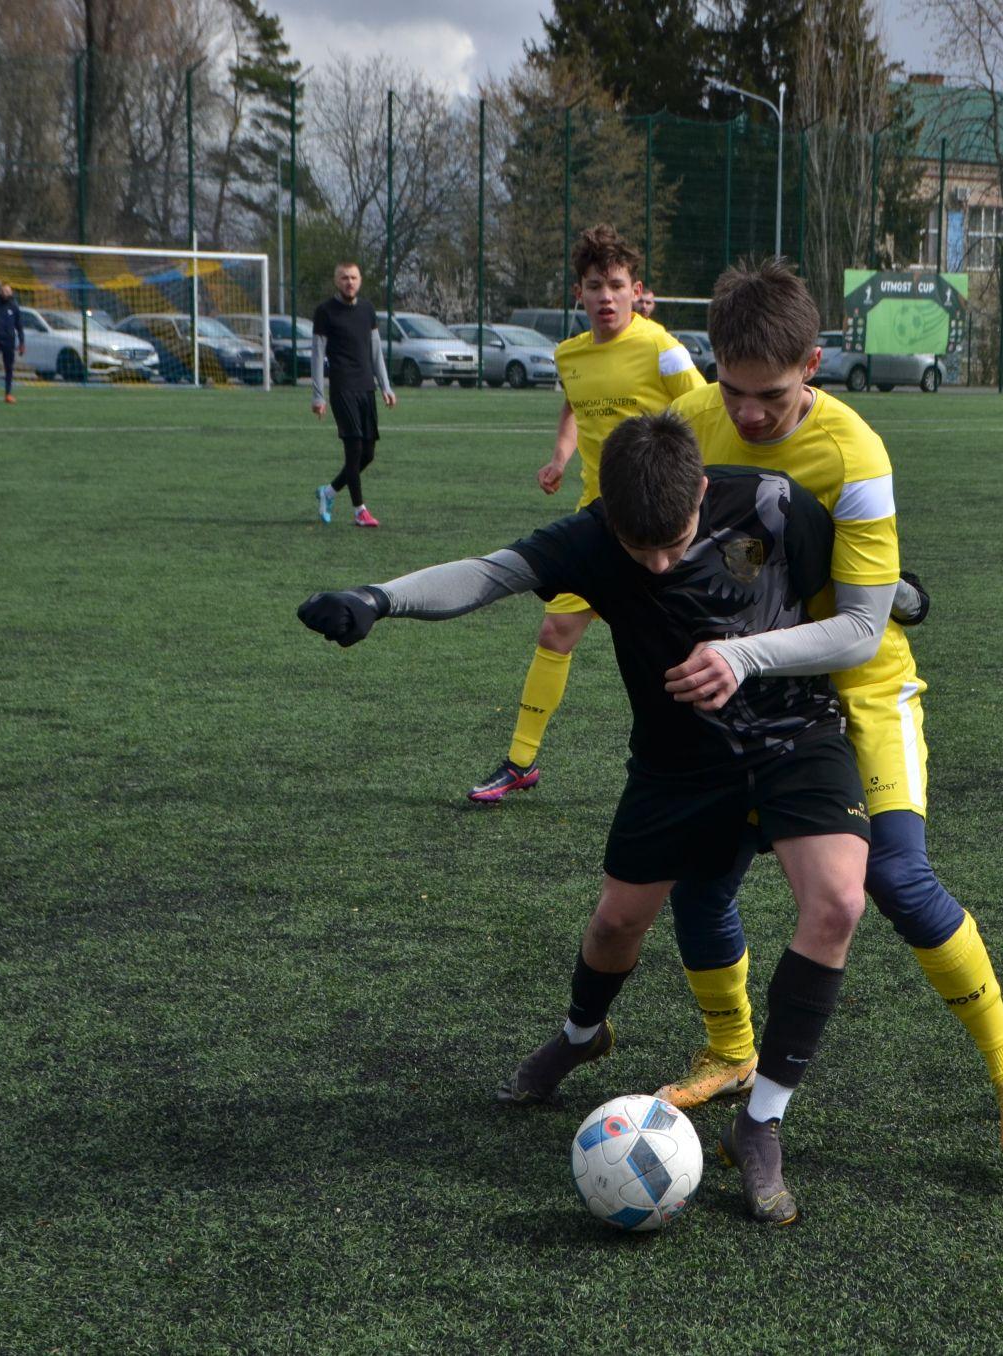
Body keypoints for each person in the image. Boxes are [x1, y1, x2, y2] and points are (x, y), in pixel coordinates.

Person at [297, 411, 878, 1225]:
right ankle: (581, 1034)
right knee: (614, 927)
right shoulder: (596, 535)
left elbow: (852, 590)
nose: (660, 563)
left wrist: (901, 592)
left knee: (839, 903)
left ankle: (763, 1119)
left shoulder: (775, 504)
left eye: (672, 543)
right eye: (641, 551)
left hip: (795, 739)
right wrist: (377, 598)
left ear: (702, 490)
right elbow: (488, 573)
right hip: (677, 762)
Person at [658, 259, 1003, 1160]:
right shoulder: (689, 424)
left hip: (858, 691)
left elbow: (860, 634)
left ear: (815, 362)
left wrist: (743, 648)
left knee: (898, 878)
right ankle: (728, 1050)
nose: (749, 414)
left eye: (772, 393)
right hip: (743, 695)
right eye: (734, 389)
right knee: (699, 873)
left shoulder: (856, 453)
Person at [468, 226, 704, 805]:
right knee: (555, 631)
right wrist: (559, 457)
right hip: (597, 520)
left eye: (616, 285)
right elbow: (575, 407)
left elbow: (704, 415)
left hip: (659, 522)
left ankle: (705, 763)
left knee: (683, 646)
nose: (606, 295)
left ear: (636, 290)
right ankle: (519, 761)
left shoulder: (662, 348)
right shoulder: (570, 355)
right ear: (580, 293)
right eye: (595, 285)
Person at [310, 261, 397, 529]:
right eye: (344, 277)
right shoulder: (325, 312)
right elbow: (317, 354)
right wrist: (318, 395)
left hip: (365, 388)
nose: (349, 282)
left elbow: (375, 351)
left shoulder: (368, 310)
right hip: (342, 388)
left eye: (354, 277)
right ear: (337, 281)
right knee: (354, 449)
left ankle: (329, 492)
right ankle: (360, 510)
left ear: (360, 280)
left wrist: (385, 386)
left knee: (368, 454)